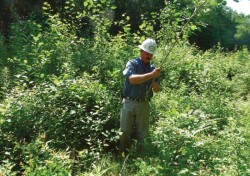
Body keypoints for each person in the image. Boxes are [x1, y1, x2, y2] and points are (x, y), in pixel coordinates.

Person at [119, 38, 161, 154]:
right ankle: (123, 153)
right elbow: (132, 80)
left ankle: (140, 157)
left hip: (144, 103)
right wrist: (151, 75)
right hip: (129, 102)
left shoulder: (153, 69)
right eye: (147, 53)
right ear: (141, 51)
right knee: (124, 131)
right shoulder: (132, 64)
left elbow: (156, 89)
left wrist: (156, 87)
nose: (149, 56)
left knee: (143, 133)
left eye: (151, 54)